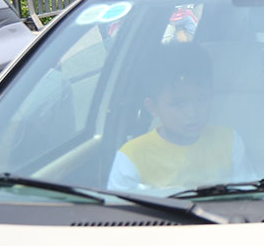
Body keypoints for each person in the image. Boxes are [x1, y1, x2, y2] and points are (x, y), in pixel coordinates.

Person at [108, 44, 255, 193]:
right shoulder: (132, 157)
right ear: (153, 107)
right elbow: (120, 212)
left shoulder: (229, 140)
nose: (192, 113)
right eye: (178, 103)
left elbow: (248, 194)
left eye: (201, 99)